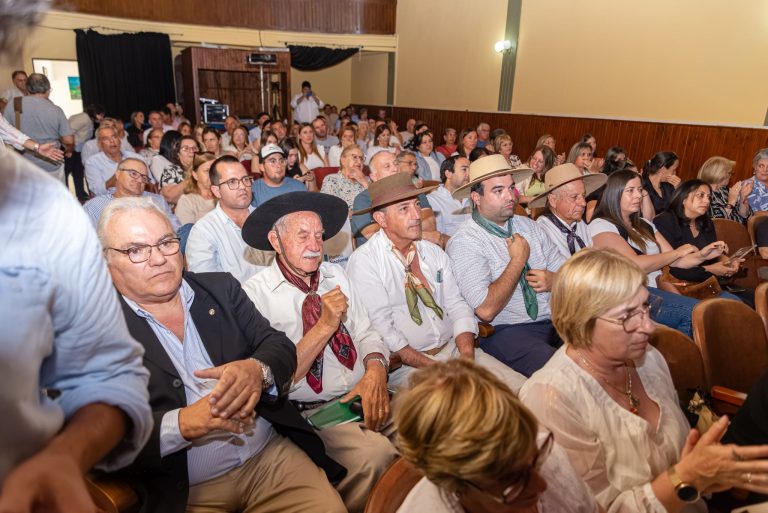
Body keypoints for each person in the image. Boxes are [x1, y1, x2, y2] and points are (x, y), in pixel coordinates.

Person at [99, 197, 346, 513]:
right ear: (106, 264)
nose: (158, 258)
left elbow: (279, 346)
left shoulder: (220, 290)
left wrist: (257, 370)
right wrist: (181, 424)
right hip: (187, 490)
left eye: (165, 243)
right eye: (135, 250)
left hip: (269, 459)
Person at [0, 10, 153, 496]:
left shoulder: (45, 213)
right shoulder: (78, 175)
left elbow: (105, 373)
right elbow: (70, 147)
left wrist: (66, 456)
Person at [520, 248, 768, 512]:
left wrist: (713, 472)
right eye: (627, 316)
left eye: (646, 307)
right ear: (580, 321)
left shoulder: (649, 360)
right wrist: (685, 478)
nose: (649, 327)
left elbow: (682, 462)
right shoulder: (550, 398)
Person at [241, 192, 399, 513]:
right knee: (375, 456)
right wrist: (325, 325)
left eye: (319, 235)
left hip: (364, 391)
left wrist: (375, 370)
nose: (315, 245)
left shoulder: (335, 275)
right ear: (275, 240)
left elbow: (368, 333)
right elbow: (275, 381)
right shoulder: (255, 296)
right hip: (312, 414)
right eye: (302, 236)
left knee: (433, 418)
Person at [347, 173, 526, 391]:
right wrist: (437, 368)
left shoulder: (432, 252)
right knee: (467, 407)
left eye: (416, 205)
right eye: (404, 209)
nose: (416, 215)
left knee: (522, 388)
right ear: (381, 220)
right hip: (407, 367)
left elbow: (457, 305)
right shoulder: (365, 261)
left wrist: (467, 357)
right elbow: (384, 330)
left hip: (455, 350)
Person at [395, 360, 600, 513]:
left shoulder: (540, 455)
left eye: (535, 458)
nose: (541, 485)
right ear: (456, 486)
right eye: (513, 483)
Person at [447, 155, 565, 377]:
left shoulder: (531, 227)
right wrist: (518, 261)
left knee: (603, 347)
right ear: (476, 197)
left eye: (511, 188)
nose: (510, 196)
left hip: (555, 320)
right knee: (560, 371)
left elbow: (571, 273)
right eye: (498, 191)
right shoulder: (465, 242)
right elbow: (485, 309)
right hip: (507, 331)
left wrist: (555, 280)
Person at [589, 170, 728, 337]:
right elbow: (635, 264)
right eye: (630, 190)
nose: (638, 196)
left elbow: (677, 261)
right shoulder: (601, 225)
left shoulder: (644, 224)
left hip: (656, 288)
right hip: (628, 293)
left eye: (640, 190)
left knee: (712, 311)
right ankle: (678, 361)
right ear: (614, 193)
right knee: (693, 314)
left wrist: (703, 255)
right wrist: (676, 253)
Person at [653, 179, 751, 304]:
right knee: (738, 306)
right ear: (683, 198)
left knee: (753, 300)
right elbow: (673, 267)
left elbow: (715, 254)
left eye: (709, 197)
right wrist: (711, 269)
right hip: (681, 285)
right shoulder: (665, 221)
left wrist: (729, 262)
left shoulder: (705, 222)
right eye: (701, 196)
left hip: (707, 284)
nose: (707, 201)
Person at [186, 156, 269, 283]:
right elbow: (210, 286)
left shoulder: (265, 219)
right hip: (238, 301)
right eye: (232, 182)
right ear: (216, 191)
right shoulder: (203, 231)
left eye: (245, 179)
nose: (242, 186)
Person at [352, 151, 443, 248]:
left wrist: (396, 230)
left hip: (417, 250)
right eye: (387, 166)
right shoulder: (364, 199)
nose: (395, 169)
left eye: (396, 164)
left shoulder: (413, 191)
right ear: (374, 177)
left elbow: (429, 223)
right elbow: (374, 235)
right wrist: (421, 235)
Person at [3, 72, 73, 181]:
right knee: (54, 197)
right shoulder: (56, 110)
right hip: (51, 163)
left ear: (27, 88)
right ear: (48, 90)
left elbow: (6, 132)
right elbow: (68, 140)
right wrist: (69, 149)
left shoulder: (14, 103)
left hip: (22, 165)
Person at [83, 157, 180, 230]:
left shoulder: (157, 201)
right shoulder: (94, 207)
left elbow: (176, 230)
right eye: (133, 174)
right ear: (117, 174)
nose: (139, 180)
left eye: (144, 178)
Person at [84, 125, 143, 196]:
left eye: (114, 137)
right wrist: (117, 177)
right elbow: (97, 191)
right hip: (111, 200)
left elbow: (150, 182)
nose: (112, 141)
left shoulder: (136, 158)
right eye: (106, 139)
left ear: (119, 140)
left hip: (139, 197)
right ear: (99, 144)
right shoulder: (92, 162)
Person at [67, 103, 105, 201]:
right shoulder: (83, 118)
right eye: (101, 115)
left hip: (77, 150)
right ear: (95, 113)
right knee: (66, 173)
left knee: (78, 173)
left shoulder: (89, 120)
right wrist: (69, 148)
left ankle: (81, 195)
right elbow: (67, 132)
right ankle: (66, 197)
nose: (102, 118)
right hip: (70, 149)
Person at [697, 156, 752, 223]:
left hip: (738, 230)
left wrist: (742, 198)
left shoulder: (725, 190)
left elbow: (746, 216)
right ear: (719, 174)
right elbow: (716, 222)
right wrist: (731, 202)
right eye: (729, 173)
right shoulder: (701, 193)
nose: (730, 176)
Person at [426, 156, 471, 236]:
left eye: (470, 170)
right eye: (464, 169)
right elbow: (438, 237)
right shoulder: (433, 200)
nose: (469, 174)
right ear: (448, 174)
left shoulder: (474, 197)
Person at [151, 132, 196, 205]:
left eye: (194, 148)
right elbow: (169, 197)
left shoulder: (204, 168)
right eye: (186, 148)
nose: (191, 151)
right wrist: (191, 178)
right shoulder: (171, 171)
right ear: (178, 153)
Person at [320, 144, 370, 209]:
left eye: (362, 158)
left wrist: (364, 182)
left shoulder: (368, 180)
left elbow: (378, 203)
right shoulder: (332, 180)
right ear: (343, 161)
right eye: (355, 157)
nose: (359, 161)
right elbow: (329, 208)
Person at [175, 151, 216, 226]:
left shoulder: (224, 196)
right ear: (195, 175)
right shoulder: (187, 201)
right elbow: (186, 233)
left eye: (214, 170)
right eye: (207, 170)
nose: (212, 174)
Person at [642, 151, 681, 215]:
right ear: (662, 169)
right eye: (674, 170)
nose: (675, 173)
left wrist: (678, 189)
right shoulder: (643, 185)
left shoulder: (669, 186)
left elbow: (677, 210)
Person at [747, 148, 768, 212]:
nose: (765, 170)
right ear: (755, 167)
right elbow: (754, 215)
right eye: (761, 166)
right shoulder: (747, 185)